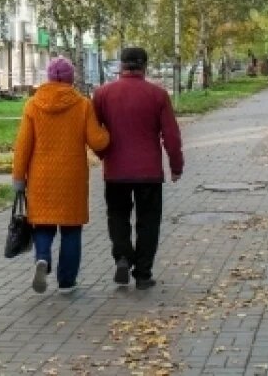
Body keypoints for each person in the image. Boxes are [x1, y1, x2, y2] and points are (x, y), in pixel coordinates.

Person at [12, 56, 109, 294]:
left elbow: (23, 145)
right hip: (71, 177)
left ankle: (42, 259)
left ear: (48, 77)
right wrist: (108, 133)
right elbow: (97, 140)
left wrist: (18, 178)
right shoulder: (82, 104)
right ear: (71, 78)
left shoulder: (33, 105)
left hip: (40, 177)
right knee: (71, 229)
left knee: (43, 225)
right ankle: (67, 282)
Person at [92, 46, 184, 289]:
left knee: (118, 217)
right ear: (144, 66)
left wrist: (104, 154)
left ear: (121, 65)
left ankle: (122, 257)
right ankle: (143, 274)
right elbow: (171, 136)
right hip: (149, 173)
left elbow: (93, 133)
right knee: (148, 222)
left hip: (115, 171)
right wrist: (176, 165)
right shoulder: (158, 95)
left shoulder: (102, 94)